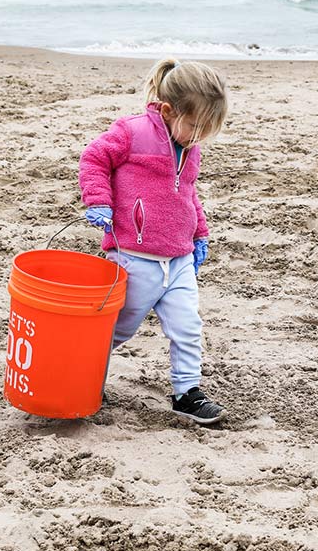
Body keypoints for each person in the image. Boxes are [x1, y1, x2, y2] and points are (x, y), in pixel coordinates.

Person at [79, 58, 229, 425]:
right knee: (118, 329)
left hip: (178, 260)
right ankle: (81, 377)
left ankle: (187, 392)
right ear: (167, 110)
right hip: (133, 257)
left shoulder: (190, 147)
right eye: (194, 126)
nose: (198, 137)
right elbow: (94, 158)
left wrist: (199, 233)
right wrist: (98, 200)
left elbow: (188, 194)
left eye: (206, 130)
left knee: (188, 326)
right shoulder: (132, 133)